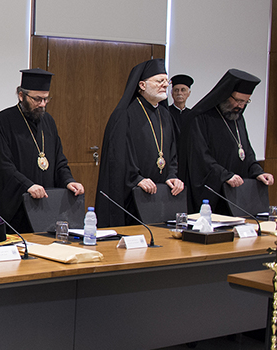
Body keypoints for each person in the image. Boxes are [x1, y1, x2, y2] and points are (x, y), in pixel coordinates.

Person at [0, 69, 83, 234]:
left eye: (46, 99)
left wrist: (68, 181)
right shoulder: (3, 121)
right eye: (37, 99)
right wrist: (27, 185)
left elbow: (59, 160)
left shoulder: (48, 122)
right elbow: (1, 165)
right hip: (16, 209)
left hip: (45, 207)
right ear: (21, 95)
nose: (42, 104)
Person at [95, 59, 183, 227]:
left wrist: (172, 175)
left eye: (166, 81)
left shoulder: (165, 115)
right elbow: (118, 156)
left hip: (161, 195)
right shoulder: (125, 114)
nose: (165, 85)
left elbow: (172, 152)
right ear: (142, 85)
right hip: (133, 195)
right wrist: (136, 178)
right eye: (159, 81)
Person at [179, 69, 273, 214]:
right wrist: (224, 175)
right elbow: (200, 157)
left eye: (246, 101)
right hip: (213, 195)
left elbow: (246, 152)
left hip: (236, 194)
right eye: (238, 100)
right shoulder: (200, 118)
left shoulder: (237, 118)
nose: (241, 106)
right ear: (225, 94)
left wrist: (257, 172)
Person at [168, 74, 193, 140]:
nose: (179, 93)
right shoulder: (165, 113)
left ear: (188, 93)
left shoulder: (192, 115)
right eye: (176, 90)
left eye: (183, 90)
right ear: (172, 93)